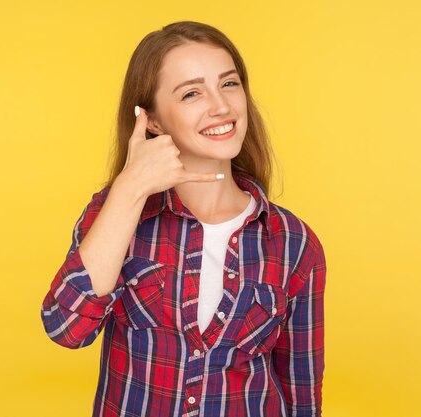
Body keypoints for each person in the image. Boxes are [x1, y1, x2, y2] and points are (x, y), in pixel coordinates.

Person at [41, 20, 326, 417]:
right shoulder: (118, 211)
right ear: (152, 120)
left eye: (229, 84)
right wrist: (129, 188)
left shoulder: (293, 242)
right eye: (192, 93)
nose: (221, 106)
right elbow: (66, 328)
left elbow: (301, 393)